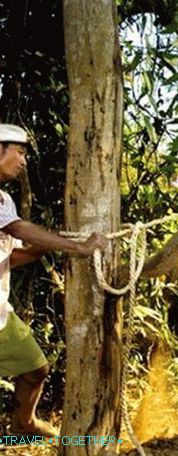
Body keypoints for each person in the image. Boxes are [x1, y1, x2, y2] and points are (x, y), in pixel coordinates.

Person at [0, 124, 108, 437]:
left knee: (36, 369)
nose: (23, 161)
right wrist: (77, 246)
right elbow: (19, 230)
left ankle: (24, 423)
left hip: (1, 313)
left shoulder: (5, 201)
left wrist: (53, 242)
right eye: (19, 153)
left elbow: (14, 255)